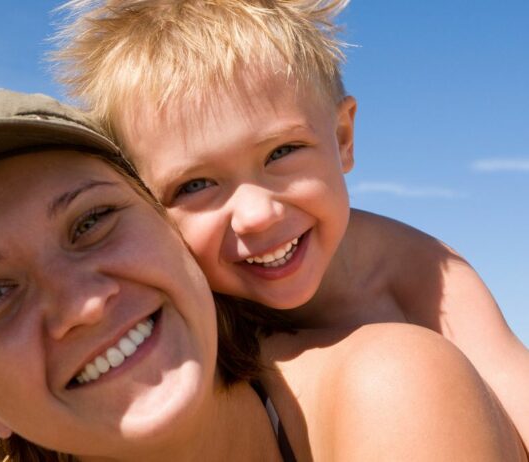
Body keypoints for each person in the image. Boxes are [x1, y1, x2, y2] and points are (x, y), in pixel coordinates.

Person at [51, 0, 529, 452]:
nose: (257, 213)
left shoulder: (426, 277)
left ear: (342, 137)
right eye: (196, 184)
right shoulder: (174, 317)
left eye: (281, 153)